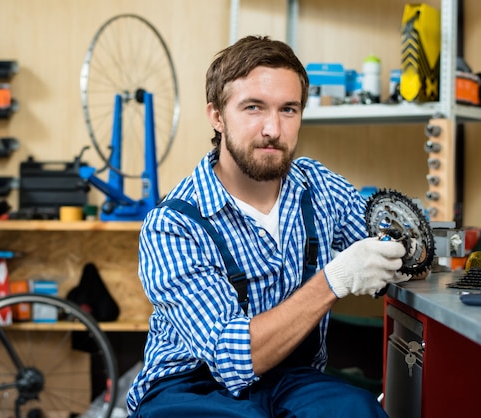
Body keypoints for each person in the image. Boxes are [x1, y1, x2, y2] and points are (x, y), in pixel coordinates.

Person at [127, 35, 410, 417]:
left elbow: (387, 240)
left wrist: (403, 249)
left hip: (290, 377)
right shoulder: (173, 225)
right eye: (253, 108)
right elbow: (233, 359)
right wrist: (336, 278)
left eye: (288, 110)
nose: (273, 129)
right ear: (216, 115)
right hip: (190, 386)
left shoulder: (317, 187)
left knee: (356, 409)